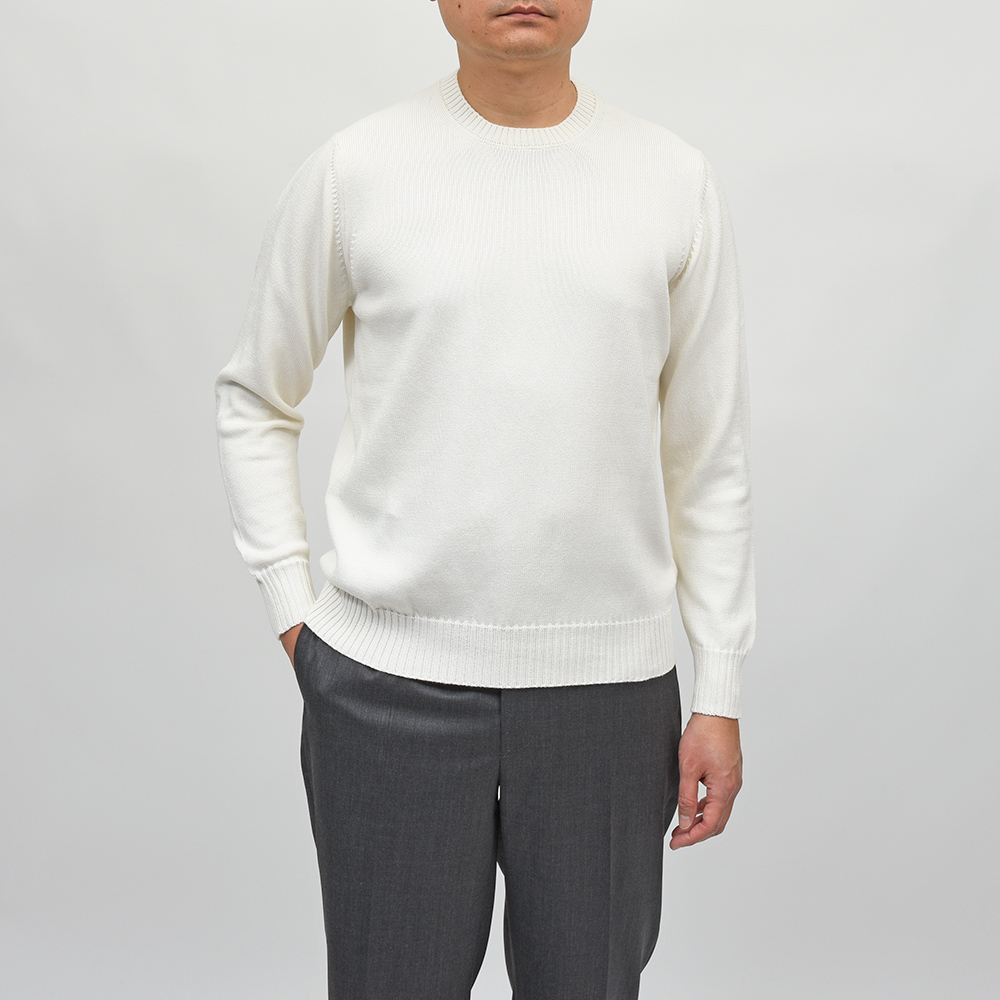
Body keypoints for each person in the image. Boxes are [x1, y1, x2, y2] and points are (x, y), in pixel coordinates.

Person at [214, 1, 756, 996]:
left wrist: (718, 687)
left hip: (609, 701)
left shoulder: (672, 181)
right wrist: (296, 613)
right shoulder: (356, 171)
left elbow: (707, 455)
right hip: (386, 691)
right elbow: (256, 396)